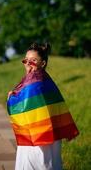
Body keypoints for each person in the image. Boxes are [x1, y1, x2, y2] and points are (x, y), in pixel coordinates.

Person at [7, 42, 79, 170]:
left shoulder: (34, 80)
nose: (28, 63)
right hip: (48, 132)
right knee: (51, 162)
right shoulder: (45, 79)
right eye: (26, 60)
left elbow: (22, 107)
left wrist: (11, 99)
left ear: (43, 63)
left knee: (38, 163)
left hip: (38, 136)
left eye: (33, 60)